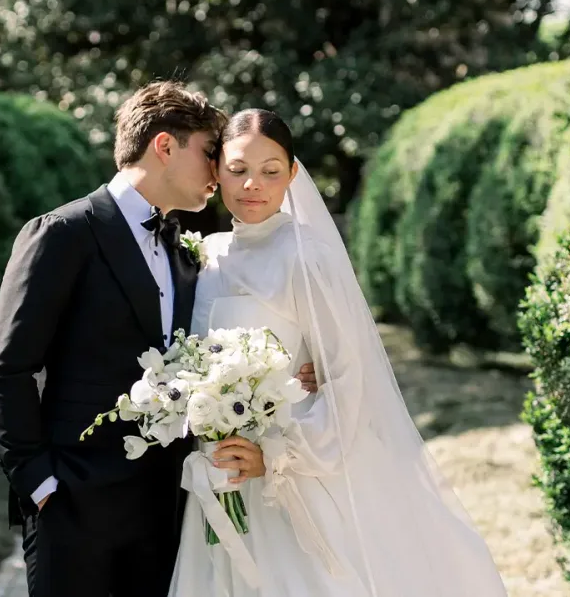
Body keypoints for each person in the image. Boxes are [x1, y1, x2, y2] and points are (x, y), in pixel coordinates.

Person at [0, 82, 316, 597]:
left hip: (166, 508)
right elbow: (7, 370)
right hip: (73, 504)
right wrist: (39, 484)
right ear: (164, 146)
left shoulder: (186, 254)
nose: (217, 171)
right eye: (209, 153)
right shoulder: (64, 233)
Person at [168, 109, 509, 596]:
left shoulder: (305, 256)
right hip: (218, 470)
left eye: (270, 171)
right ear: (217, 170)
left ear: (291, 174)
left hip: (288, 475)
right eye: (238, 169)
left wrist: (276, 456)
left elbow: (350, 376)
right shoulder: (206, 256)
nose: (252, 185)